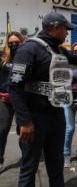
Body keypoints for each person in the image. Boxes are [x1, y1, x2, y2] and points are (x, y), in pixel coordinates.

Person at [9, 12, 77, 187]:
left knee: (56, 162)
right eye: (65, 29)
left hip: (56, 114)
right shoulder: (29, 49)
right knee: (29, 167)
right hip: (35, 118)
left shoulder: (58, 50)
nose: (67, 33)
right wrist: (24, 121)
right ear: (55, 27)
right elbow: (14, 87)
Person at [0, 31, 24, 173]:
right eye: (11, 43)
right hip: (5, 99)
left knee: (22, 130)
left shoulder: (27, 57)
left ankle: (27, 157)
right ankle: (0, 159)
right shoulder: (3, 57)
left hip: (22, 99)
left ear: (22, 42)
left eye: (17, 42)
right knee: (2, 130)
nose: (14, 45)